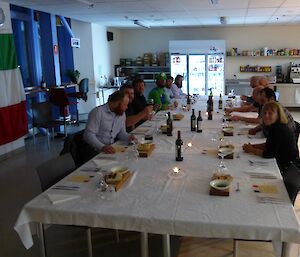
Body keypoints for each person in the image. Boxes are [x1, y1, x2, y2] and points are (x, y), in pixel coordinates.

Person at [243, 101, 299, 172]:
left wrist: (251, 150)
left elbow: (269, 154)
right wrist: (253, 146)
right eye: (264, 113)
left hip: (286, 168)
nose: (266, 116)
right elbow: (269, 145)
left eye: (270, 113)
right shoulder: (275, 126)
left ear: (278, 115)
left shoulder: (278, 129)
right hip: (287, 162)